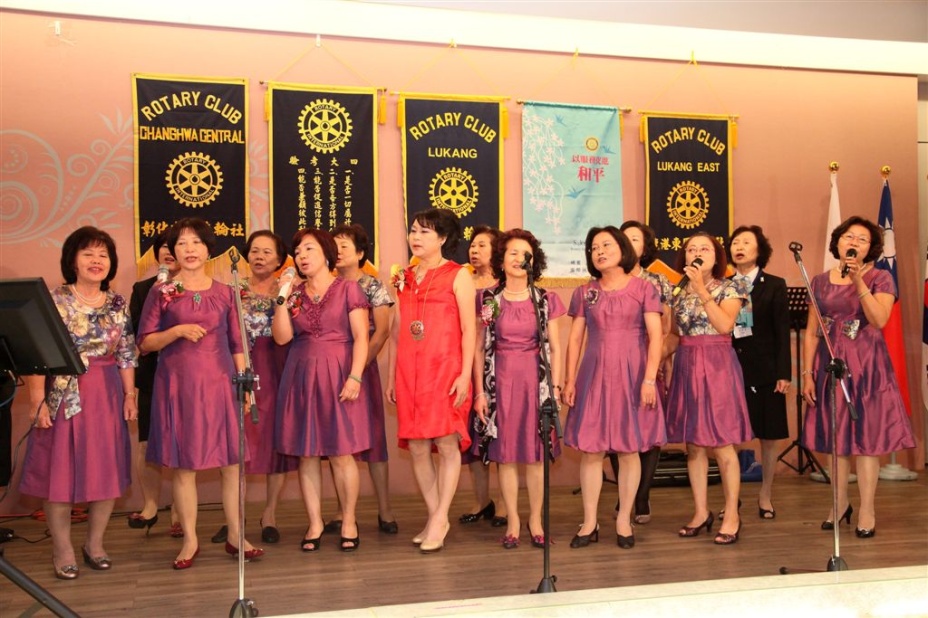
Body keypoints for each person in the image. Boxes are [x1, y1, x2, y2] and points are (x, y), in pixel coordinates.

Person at [138, 217, 263, 569]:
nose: (189, 249)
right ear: (172, 251)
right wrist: (176, 331)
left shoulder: (226, 292)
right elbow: (145, 342)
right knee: (184, 466)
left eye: (196, 242)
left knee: (232, 463)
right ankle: (189, 539)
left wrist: (246, 386)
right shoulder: (162, 291)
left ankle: (236, 534)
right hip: (177, 386)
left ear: (209, 249)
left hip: (221, 384)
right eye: (181, 243)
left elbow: (238, 344)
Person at [20, 226, 138, 579]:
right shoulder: (53, 300)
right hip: (63, 394)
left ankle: (94, 544)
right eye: (88, 253)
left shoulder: (117, 303)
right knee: (59, 475)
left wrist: (130, 395)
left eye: (103, 254)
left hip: (106, 394)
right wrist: (37, 399)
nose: (96, 260)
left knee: (105, 472)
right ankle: (63, 548)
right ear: (73, 260)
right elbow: (35, 354)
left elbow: (127, 353)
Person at [800, 216, 915, 538]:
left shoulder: (881, 278)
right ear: (838, 242)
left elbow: (879, 320)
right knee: (836, 442)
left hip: (867, 367)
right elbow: (811, 333)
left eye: (862, 239)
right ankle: (839, 504)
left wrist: (858, 281)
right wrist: (807, 374)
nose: (854, 242)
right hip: (831, 364)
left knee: (866, 442)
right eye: (849, 236)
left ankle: (867, 509)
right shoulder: (819, 281)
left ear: (871, 248)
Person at [562, 226, 664, 550]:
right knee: (591, 451)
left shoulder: (644, 289)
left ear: (623, 249)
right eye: (594, 248)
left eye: (606, 245)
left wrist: (649, 379)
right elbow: (575, 339)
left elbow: (656, 338)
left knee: (629, 449)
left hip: (633, 375)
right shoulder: (584, 292)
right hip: (593, 375)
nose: (600, 252)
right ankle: (589, 521)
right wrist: (569, 379)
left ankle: (623, 521)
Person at [273, 228, 370, 552]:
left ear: (327, 254)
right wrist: (282, 297)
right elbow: (282, 338)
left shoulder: (348, 288)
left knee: (342, 453)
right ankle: (314, 522)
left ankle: (349, 520)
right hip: (301, 375)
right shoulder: (295, 294)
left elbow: (361, 337)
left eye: (309, 249)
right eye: (298, 251)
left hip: (340, 373)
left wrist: (355, 376)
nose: (302, 256)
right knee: (307, 453)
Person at [387, 208, 476, 553]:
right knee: (418, 446)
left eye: (425, 232)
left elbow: (469, 329)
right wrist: (393, 375)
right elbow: (398, 330)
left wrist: (465, 375)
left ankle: (439, 519)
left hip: (445, 369)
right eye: (413, 230)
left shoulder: (458, 275)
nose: (416, 237)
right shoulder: (403, 277)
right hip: (410, 371)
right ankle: (435, 515)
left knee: (447, 443)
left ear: (443, 238)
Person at [473, 229, 566, 549]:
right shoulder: (489, 299)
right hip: (499, 382)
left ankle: (535, 520)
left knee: (536, 457)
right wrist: (479, 392)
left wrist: (555, 388)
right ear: (501, 260)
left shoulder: (545, 299)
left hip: (534, 384)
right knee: (506, 456)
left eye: (525, 254)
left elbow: (555, 347)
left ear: (533, 261)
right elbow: (479, 348)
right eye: (512, 252)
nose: (518, 258)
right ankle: (512, 520)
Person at [665, 232, 752, 545]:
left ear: (716, 257)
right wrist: (649, 365)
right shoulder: (677, 290)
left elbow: (725, 325)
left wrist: (702, 290)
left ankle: (732, 514)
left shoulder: (732, 287)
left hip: (717, 365)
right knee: (694, 446)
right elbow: (673, 335)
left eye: (704, 248)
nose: (696, 253)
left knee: (722, 443)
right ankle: (701, 511)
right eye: (691, 249)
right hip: (687, 365)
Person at [330, 223, 397, 534]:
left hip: (362, 370)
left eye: (344, 246)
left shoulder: (372, 285)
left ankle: (385, 510)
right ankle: (344, 512)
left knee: (373, 442)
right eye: (334, 246)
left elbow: (381, 332)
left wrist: (357, 369)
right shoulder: (326, 284)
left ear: (359, 253)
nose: (338, 251)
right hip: (331, 370)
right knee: (338, 443)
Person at [727, 225, 791, 519]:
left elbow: (782, 331)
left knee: (768, 434)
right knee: (729, 436)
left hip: (766, 369)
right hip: (730, 368)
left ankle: (765, 494)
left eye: (746, 242)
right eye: (735, 243)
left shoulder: (774, 285)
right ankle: (732, 500)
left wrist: (784, 373)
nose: (739, 247)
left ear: (759, 250)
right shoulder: (723, 285)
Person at [238, 230, 297, 544]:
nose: (259, 257)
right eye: (254, 251)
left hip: (276, 366)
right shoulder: (233, 289)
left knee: (274, 442)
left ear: (279, 259)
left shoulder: (288, 290)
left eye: (267, 252)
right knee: (238, 444)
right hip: (240, 367)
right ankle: (235, 518)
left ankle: (270, 513)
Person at [619, 220, 673, 525]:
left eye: (635, 239)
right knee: (617, 429)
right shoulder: (605, 280)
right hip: (615, 365)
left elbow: (666, 327)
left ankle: (642, 495)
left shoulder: (657, 281)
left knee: (648, 431)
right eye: (623, 238)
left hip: (649, 361)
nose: (628, 243)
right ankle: (624, 493)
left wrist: (660, 360)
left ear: (645, 247)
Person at [127, 231, 181, 537]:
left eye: (176, 246)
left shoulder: (197, 287)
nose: (170, 251)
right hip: (151, 375)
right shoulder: (143, 289)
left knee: (182, 443)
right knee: (147, 442)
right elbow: (137, 334)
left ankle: (179, 509)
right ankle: (150, 505)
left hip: (185, 375)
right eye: (164, 246)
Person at [459, 225, 507, 528]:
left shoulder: (505, 285)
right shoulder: (462, 281)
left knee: (499, 435)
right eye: (472, 245)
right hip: (467, 363)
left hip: (498, 365)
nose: (474, 250)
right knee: (474, 437)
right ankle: (481, 501)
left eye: (482, 245)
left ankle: (502, 504)